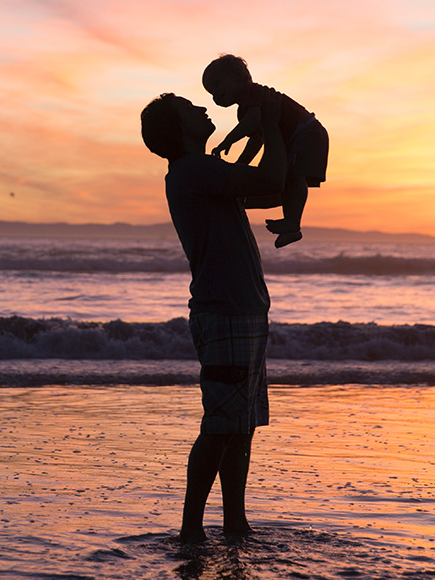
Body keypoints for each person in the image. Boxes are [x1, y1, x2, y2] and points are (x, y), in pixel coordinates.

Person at [139, 90, 286, 543]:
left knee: (238, 426)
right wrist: (277, 124)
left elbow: (258, 186)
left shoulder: (199, 173)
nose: (204, 110)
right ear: (181, 130)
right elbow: (273, 182)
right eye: (192, 110)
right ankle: (191, 530)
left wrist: (259, 140)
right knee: (223, 426)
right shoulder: (193, 170)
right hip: (225, 312)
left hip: (239, 310)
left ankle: (233, 523)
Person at [202, 54, 329, 248]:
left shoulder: (252, 94)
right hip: (298, 137)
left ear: (240, 77)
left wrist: (227, 141)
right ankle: (291, 228)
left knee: (295, 177)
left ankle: (293, 222)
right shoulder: (244, 109)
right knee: (287, 179)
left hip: (307, 133)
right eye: (211, 92)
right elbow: (257, 139)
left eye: (218, 85)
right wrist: (240, 165)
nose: (216, 94)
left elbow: (253, 123)